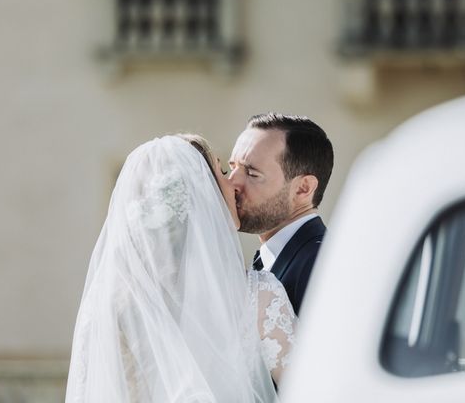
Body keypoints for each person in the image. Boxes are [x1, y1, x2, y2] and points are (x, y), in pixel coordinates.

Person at [65, 135, 296, 403]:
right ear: (201, 193)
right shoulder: (258, 297)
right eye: (221, 171)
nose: (232, 182)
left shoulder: (109, 308)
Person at [228, 113, 333, 315]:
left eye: (252, 173)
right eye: (232, 167)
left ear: (303, 188)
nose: (232, 183)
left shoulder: (320, 265)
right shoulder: (274, 255)